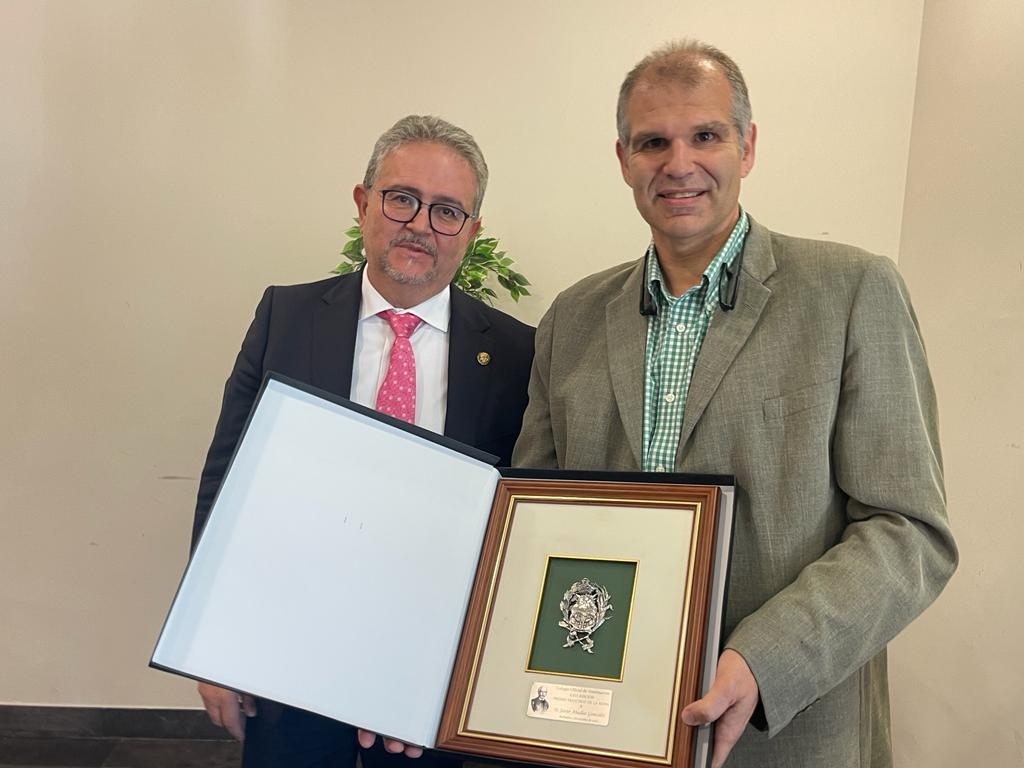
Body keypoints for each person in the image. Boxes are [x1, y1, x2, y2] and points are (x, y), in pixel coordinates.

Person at [511, 41, 957, 768]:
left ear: (746, 147)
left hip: (787, 734)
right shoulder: (571, 319)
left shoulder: (851, 291)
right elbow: (535, 522)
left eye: (705, 136)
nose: (678, 163)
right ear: (623, 159)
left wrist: (762, 660)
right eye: (652, 141)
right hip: (604, 724)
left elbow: (909, 531)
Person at [192, 115, 535, 768]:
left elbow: (519, 527)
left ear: (472, 231)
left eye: (446, 211)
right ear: (363, 202)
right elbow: (226, 482)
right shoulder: (285, 317)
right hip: (286, 655)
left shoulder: (518, 352)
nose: (420, 225)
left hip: (430, 669)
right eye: (402, 198)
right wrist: (211, 644)